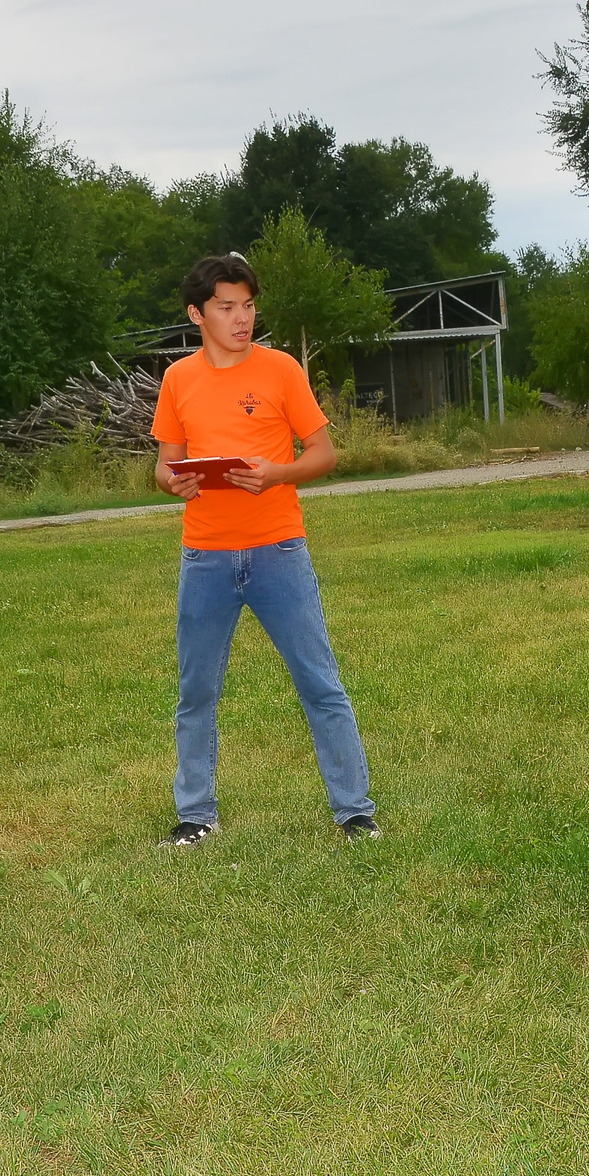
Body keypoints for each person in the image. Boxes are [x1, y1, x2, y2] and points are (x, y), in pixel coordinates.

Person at [152, 252, 376, 845]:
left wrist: (276, 474)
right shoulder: (178, 379)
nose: (242, 318)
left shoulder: (280, 371)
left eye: (248, 306)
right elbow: (164, 467)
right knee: (196, 692)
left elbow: (324, 454)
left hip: (279, 550)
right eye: (227, 308)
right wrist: (174, 482)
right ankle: (195, 815)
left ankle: (354, 810)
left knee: (320, 682)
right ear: (197, 314)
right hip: (206, 555)